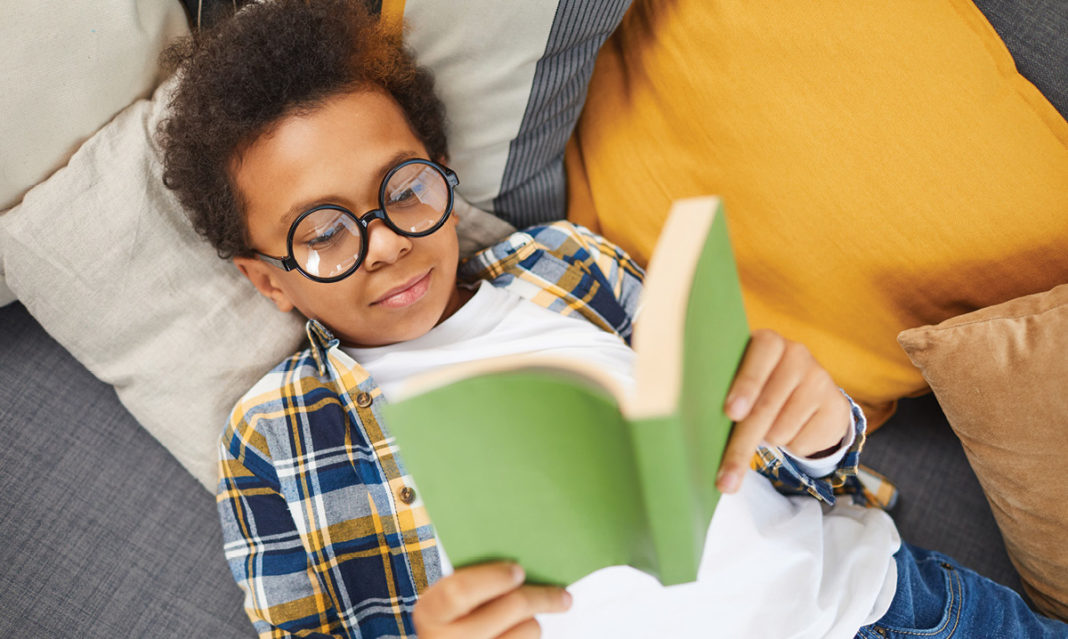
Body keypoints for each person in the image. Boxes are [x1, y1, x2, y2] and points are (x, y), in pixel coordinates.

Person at [157, 1, 1068, 638]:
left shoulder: (570, 264)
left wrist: (824, 424)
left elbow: (793, 469)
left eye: (403, 191)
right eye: (321, 234)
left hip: (883, 612)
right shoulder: (270, 438)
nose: (386, 243)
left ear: (441, 171)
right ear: (268, 281)